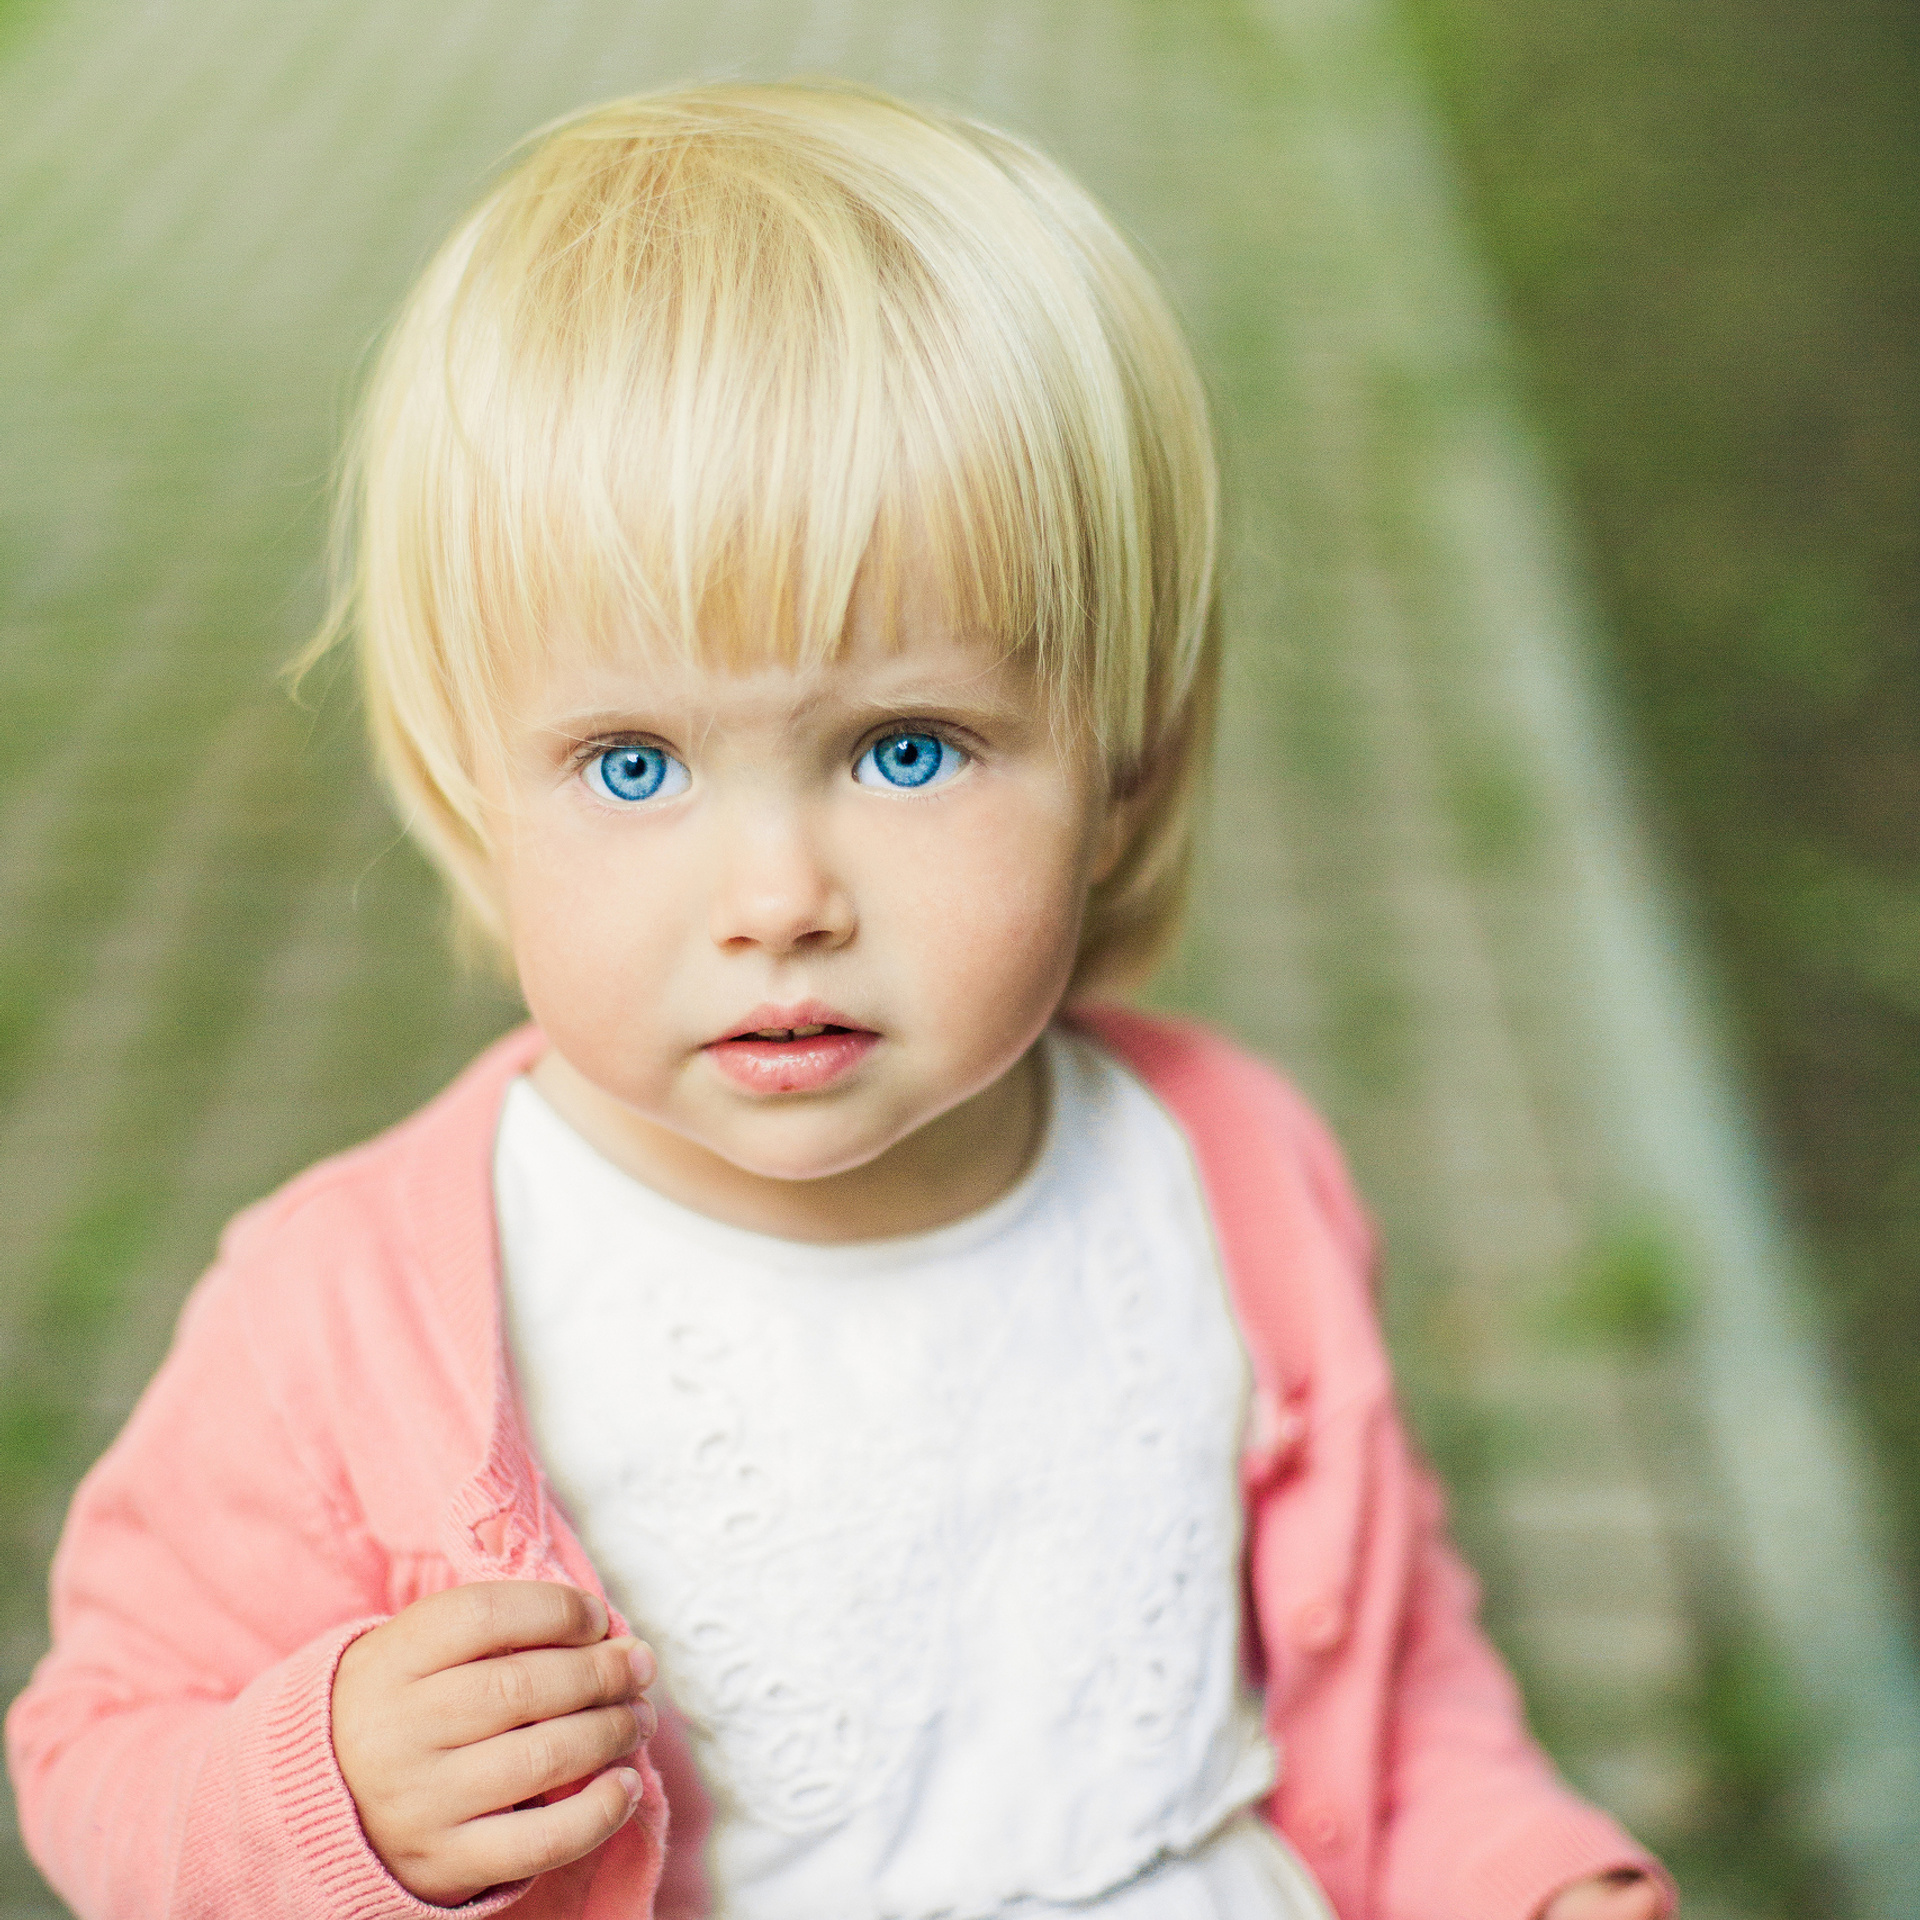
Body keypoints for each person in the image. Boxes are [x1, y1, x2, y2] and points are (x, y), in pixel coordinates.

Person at [6, 81, 1674, 1920]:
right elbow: (98, 1749)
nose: (778, 900)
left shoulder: (1230, 1178)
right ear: (474, 780)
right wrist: (327, 1799)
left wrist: (1514, 1869)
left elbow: (1395, 1673)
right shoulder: (349, 1316)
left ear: (1123, 759)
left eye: (905, 748)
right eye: (634, 767)